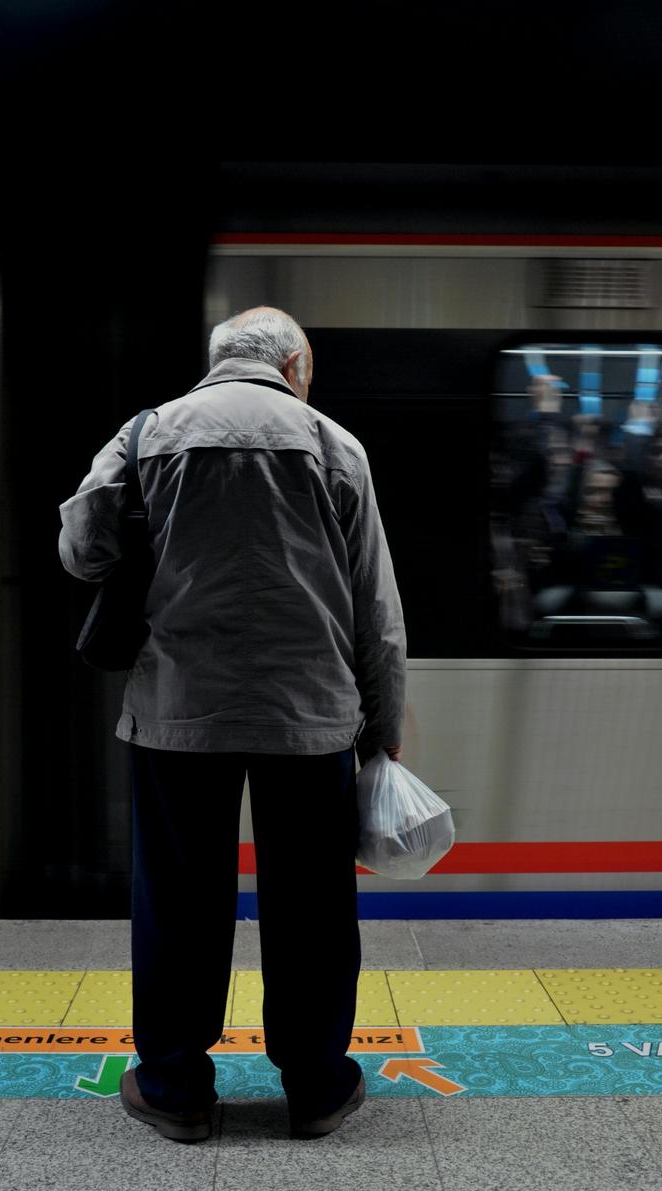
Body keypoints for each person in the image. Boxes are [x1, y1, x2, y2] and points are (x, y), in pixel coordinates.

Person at [58, 306, 407, 1142]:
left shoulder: (145, 437)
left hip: (179, 715)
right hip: (312, 719)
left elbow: (80, 552)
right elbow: (376, 611)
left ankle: (176, 1090)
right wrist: (383, 733)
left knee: (178, 902)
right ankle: (318, 1088)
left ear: (218, 363)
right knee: (314, 910)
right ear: (293, 364)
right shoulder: (333, 445)